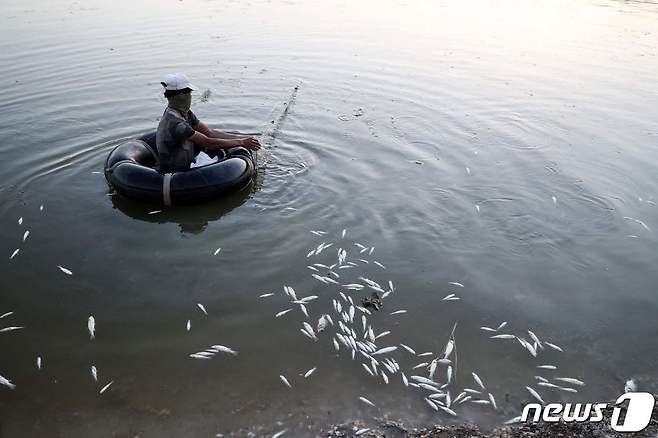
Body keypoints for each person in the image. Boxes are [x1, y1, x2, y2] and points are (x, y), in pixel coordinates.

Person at [156, 73, 260, 173]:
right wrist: (242, 143)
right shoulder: (176, 123)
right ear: (181, 95)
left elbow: (209, 132)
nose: (190, 96)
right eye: (189, 93)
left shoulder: (184, 113)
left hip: (185, 165)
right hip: (175, 173)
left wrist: (243, 138)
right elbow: (208, 143)